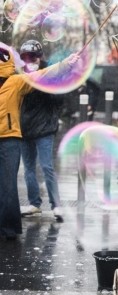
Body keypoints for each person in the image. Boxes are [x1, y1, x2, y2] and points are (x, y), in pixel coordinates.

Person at [0, 44, 80, 240]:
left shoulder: (15, 82)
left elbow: (42, 75)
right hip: (15, 136)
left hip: (10, 138)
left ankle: (9, 229)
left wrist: (64, 65)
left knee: (9, 185)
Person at [18, 41, 64, 222]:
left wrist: (43, 85)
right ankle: (34, 204)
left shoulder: (50, 73)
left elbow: (59, 100)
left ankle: (57, 205)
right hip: (25, 127)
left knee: (47, 167)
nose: (30, 60)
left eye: (33, 57)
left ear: (40, 57)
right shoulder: (20, 75)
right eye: (26, 58)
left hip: (45, 127)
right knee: (28, 168)